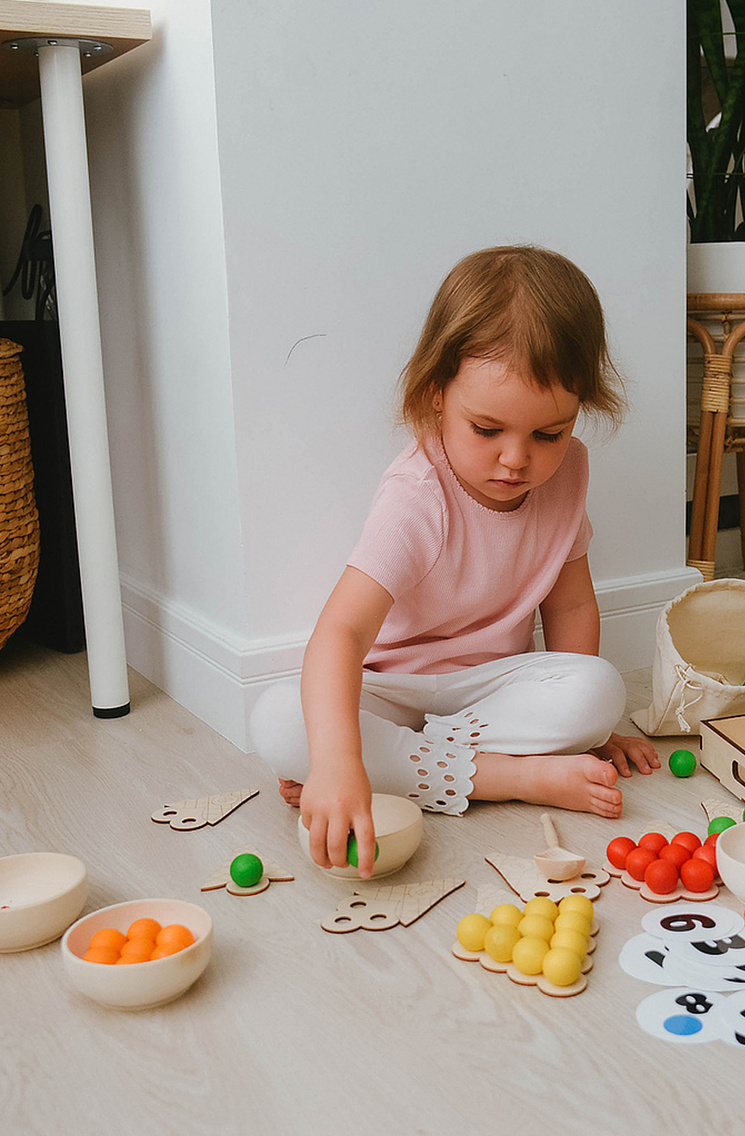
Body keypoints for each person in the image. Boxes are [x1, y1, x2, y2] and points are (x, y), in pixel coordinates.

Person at [250, 246, 659, 878]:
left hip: (492, 690)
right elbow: (341, 633)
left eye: (548, 434)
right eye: (488, 429)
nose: (517, 460)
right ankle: (513, 778)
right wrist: (335, 762)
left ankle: (404, 769)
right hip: (396, 686)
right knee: (278, 724)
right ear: (437, 393)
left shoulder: (568, 473)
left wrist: (593, 734)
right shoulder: (418, 496)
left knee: (599, 689)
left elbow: (572, 602)